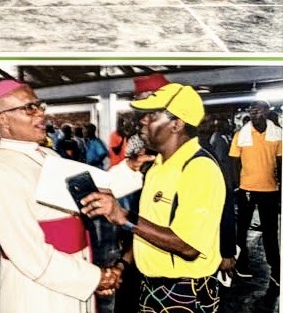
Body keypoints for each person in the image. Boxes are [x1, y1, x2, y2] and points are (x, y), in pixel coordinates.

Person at [0, 79, 121, 312]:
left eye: (39, 106)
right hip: (38, 291)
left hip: (73, 269)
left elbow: (92, 189)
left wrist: (131, 169)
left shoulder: (49, 155)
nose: (41, 114)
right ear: (2, 119)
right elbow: (31, 256)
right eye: (29, 108)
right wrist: (96, 278)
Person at [82, 83, 225, 313]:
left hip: (185, 289)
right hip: (151, 286)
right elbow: (146, 226)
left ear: (177, 124)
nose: (142, 121)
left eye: (153, 115)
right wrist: (123, 264)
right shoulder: (155, 167)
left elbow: (188, 246)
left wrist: (124, 217)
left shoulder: (199, 169)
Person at [229, 100, 282, 285]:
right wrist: (238, 185)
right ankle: (241, 265)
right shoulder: (240, 135)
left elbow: (280, 161)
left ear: (266, 112)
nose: (253, 114)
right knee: (241, 230)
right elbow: (234, 161)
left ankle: (276, 270)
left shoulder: (277, 134)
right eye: (251, 111)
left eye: (257, 111)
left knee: (270, 232)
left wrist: (280, 185)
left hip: (270, 190)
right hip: (246, 189)